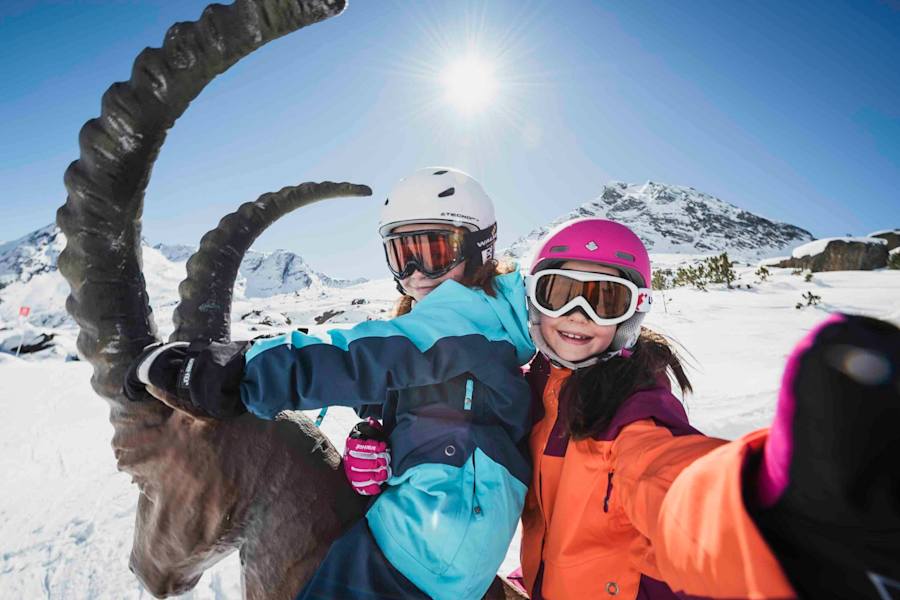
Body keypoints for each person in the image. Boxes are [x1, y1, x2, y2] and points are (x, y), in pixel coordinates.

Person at [125, 167, 536, 600]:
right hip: (437, 538)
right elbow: (411, 388)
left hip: (425, 561)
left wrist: (232, 370)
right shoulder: (464, 329)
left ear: (478, 249)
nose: (415, 272)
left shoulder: (469, 319)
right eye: (402, 254)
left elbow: (357, 358)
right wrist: (377, 432)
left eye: (433, 252)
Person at [517, 217, 900, 599]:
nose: (580, 313)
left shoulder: (631, 412)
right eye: (560, 293)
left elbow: (670, 481)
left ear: (632, 313)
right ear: (534, 299)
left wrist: (767, 517)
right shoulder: (528, 390)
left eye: (606, 300)